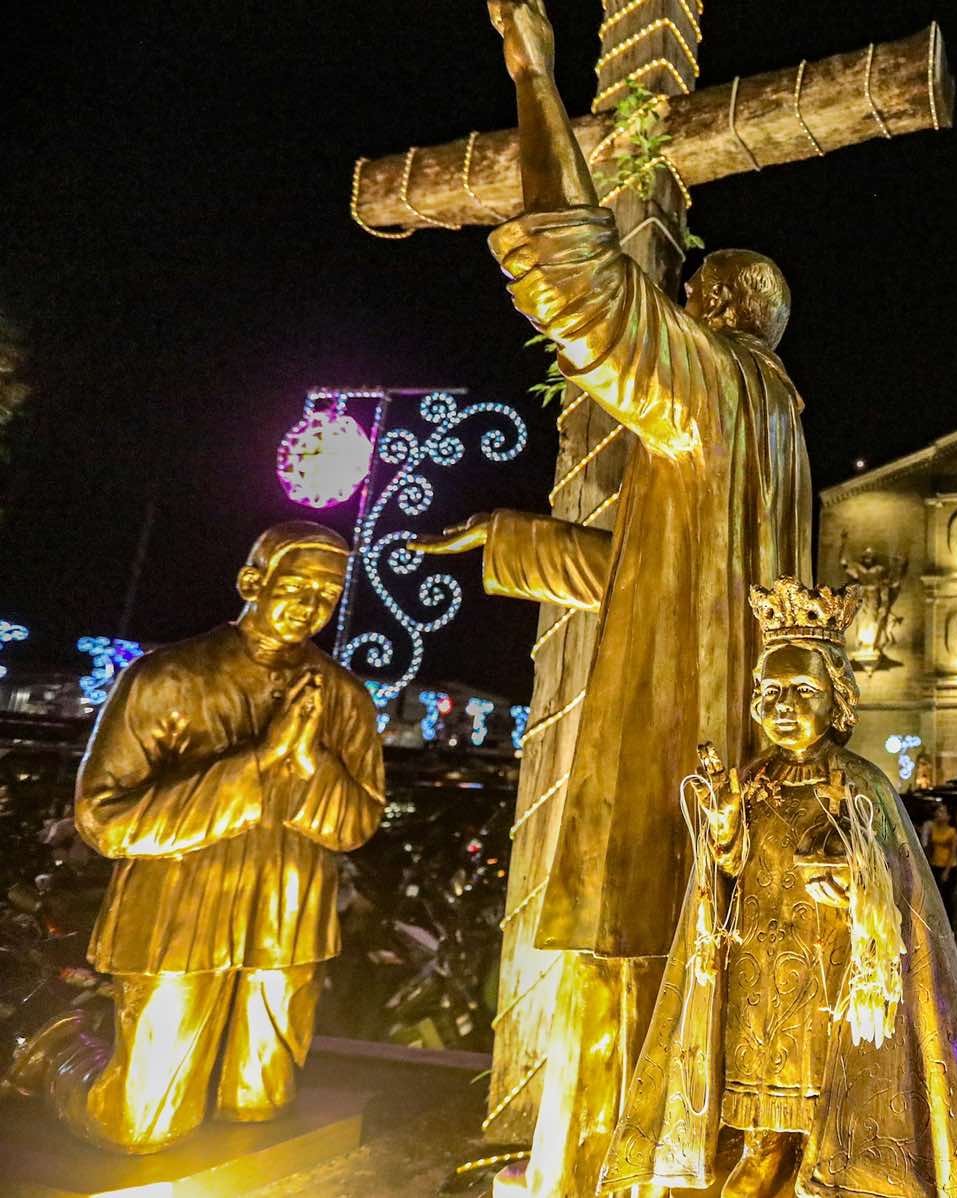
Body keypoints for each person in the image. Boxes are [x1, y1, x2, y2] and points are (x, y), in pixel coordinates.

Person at [420, 3, 816, 1185]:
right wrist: (513, 541)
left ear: (718, 310)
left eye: (694, 291)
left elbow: (580, 284)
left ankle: (635, 1156)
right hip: (718, 707)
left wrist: (538, 85)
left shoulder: (717, 388)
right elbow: (651, 578)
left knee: (641, 923)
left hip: (673, 743)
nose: (682, 296)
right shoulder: (773, 430)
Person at [601, 578, 957, 1196]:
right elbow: (724, 879)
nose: (783, 706)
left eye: (802, 691)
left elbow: (899, 885)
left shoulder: (861, 783)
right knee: (762, 1143)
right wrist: (724, 834)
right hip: (759, 995)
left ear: (837, 701)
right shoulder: (751, 781)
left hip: (834, 990)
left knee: (827, 1132)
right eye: (771, 692)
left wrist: (859, 882)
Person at [3, 524, 385, 1152]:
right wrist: (259, 763)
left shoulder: (341, 696)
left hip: (287, 916)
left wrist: (310, 761)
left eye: (328, 594)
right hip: (181, 910)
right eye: (297, 587)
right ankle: (59, 1050)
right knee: (139, 1126)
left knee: (258, 1105)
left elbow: (357, 825)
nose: (312, 607)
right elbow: (105, 817)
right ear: (252, 582)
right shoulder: (169, 678)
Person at [922, 802, 957, 914]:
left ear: (948, 817)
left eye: (942, 812)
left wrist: (947, 871)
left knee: (947, 897)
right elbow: (930, 846)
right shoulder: (933, 828)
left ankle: (949, 922)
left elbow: (953, 853)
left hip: (949, 867)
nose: (938, 814)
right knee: (935, 896)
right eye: (938, 811)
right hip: (935, 865)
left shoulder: (952, 832)